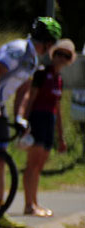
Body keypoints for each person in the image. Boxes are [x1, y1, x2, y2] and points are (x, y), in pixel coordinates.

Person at [0, 17, 62, 228]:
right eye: (52, 43)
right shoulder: (18, 50)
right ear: (47, 42)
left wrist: (19, 116)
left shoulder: (33, 60)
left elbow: (23, 91)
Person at [22, 38, 77, 217]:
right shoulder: (41, 73)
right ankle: (28, 204)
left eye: (66, 56)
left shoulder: (58, 80)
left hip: (50, 120)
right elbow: (31, 99)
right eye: (59, 54)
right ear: (53, 55)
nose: (62, 58)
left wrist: (60, 136)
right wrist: (25, 122)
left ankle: (35, 202)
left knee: (40, 165)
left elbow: (58, 108)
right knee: (32, 163)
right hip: (37, 118)